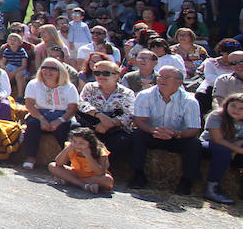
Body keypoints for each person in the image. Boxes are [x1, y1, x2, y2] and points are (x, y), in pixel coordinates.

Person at [128, 66, 202, 194]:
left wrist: (176, 133)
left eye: (167, 77)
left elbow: (194, 129)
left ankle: (187, 181)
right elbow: (139, 120)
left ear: (179, 82)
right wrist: (153, 130)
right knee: (137, 135)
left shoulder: (190, 101)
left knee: (194, 144)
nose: (162, 80)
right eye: (160, 76)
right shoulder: (145, 95)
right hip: (152, 133)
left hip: (177, 137)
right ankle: (138, 174)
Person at [21, 59, 79, 170]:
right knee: (33, 125)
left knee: (67, 130)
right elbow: (29, 105)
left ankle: (68, 162)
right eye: (44, 68)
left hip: (63, 116)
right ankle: (30, 158)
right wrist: (42, 119)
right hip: (39, 113)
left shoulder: (69, 87)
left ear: (60, 71)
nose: (48, 71)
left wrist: (60, 120)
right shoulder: (33, 84)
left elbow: (72, 109)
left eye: (52, 68)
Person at [77, 58, 136, 163]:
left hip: (115, 127)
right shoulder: (89, 87)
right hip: (92, 123)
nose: (101, 76)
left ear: (116, 76)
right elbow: (82, 103)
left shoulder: (127, 93)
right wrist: (100, 116)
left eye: (106, 73)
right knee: (76, 132)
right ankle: (79, 165)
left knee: (123, 141)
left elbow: (129, 114)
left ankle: (102, 168)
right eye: (97, 73)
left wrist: (110, 124)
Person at [202, 92, 243, 204]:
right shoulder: (216, 116)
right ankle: (212, 189)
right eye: (233, 106)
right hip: (209, 145)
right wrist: (238, 149)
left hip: (232, 148)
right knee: (223, 151)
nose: (236, 110)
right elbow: (218, 140)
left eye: (241, 108)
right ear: (227, 105)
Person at [49, 127, 115, 194]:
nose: (77, 145)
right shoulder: (71, 147)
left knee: (108, 180)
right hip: (77, 173)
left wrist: (88, 156)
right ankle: (83, 185)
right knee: (52, 165)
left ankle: (70, 181)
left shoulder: (100, 151)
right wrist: (66, 149)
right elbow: (59, 163)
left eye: (81, 143)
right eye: (74, 141)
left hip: (94, 177)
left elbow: (100, 173)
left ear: (90, 143)